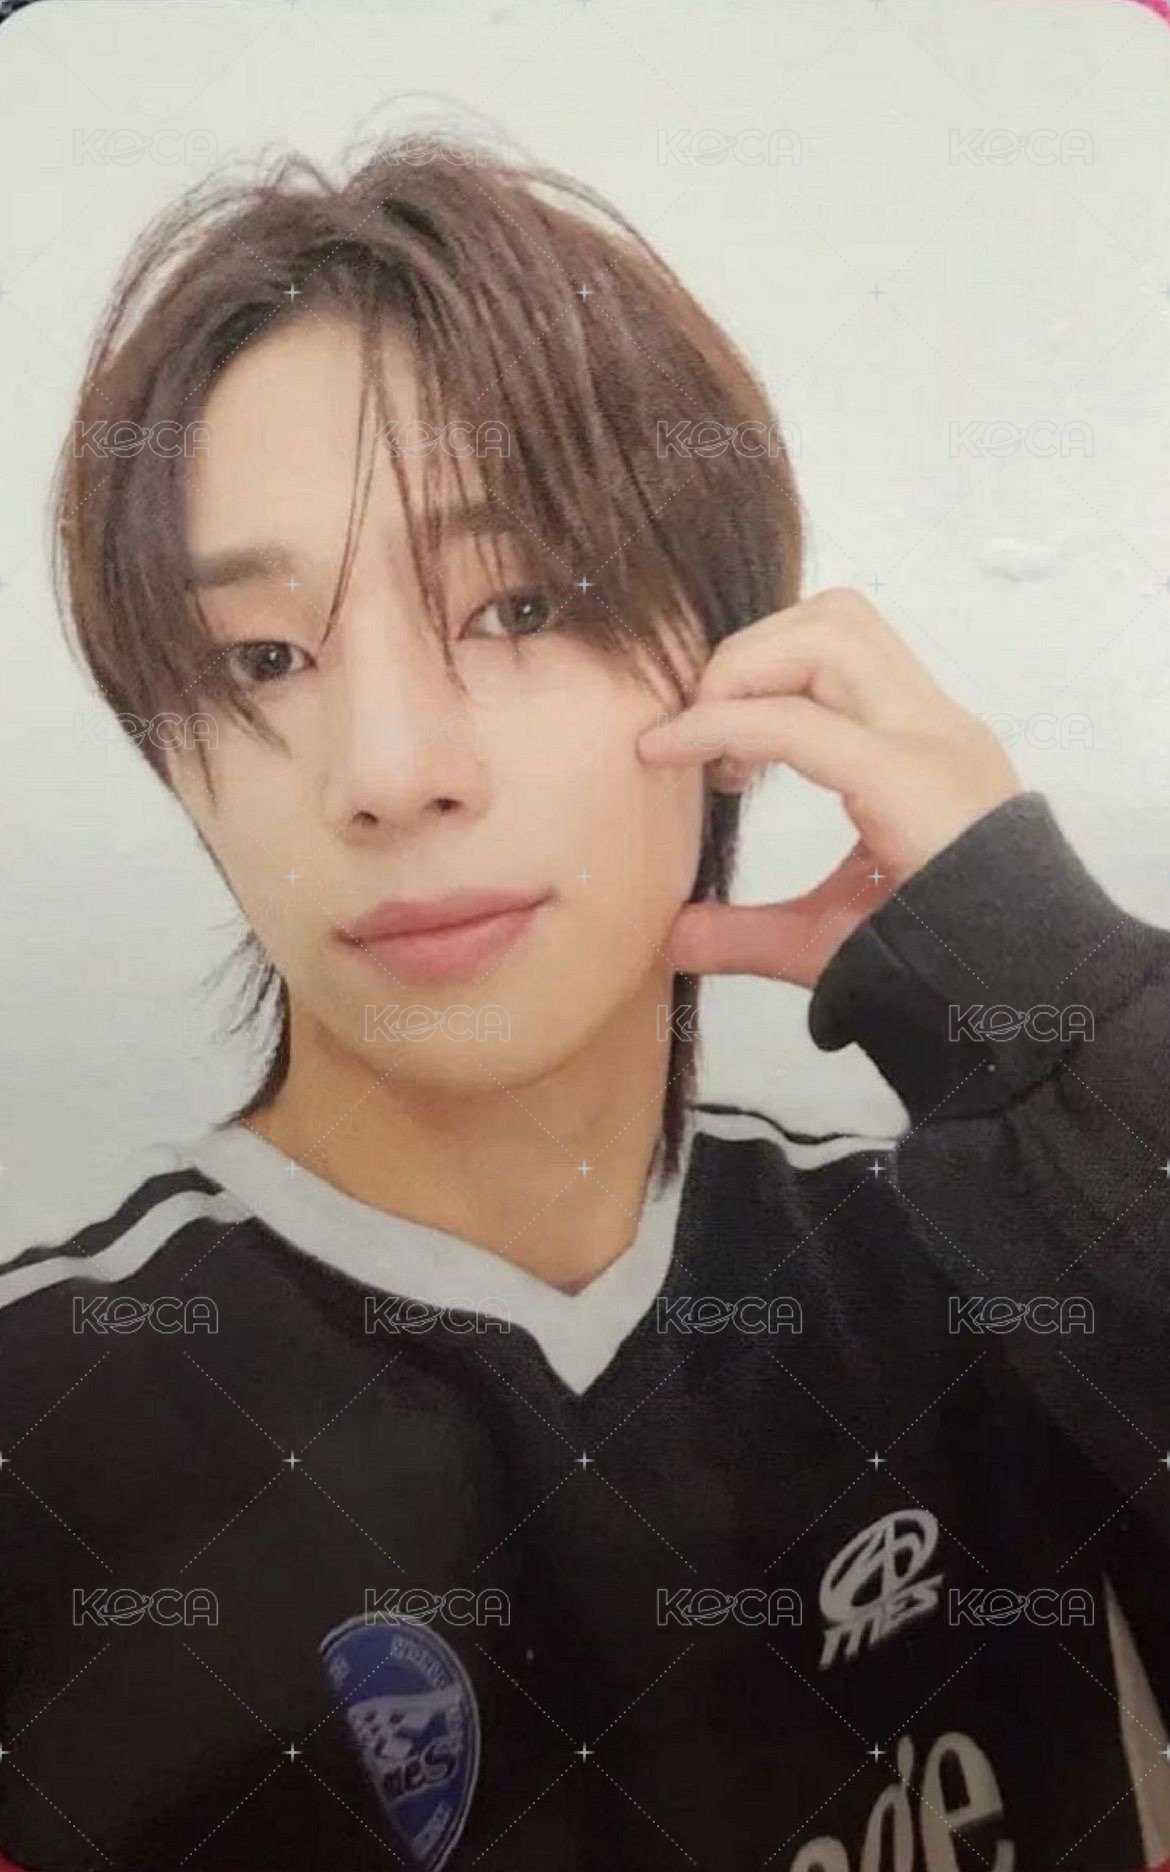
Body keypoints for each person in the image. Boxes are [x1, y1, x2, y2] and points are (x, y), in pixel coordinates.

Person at [2, 132, 1169, 1872]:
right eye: (262, 658)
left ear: (736, 665)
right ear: (176, 762)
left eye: (518, 603)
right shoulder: (46, 1425)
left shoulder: (977, 1267)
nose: (388, 771)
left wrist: (1057, 1008)